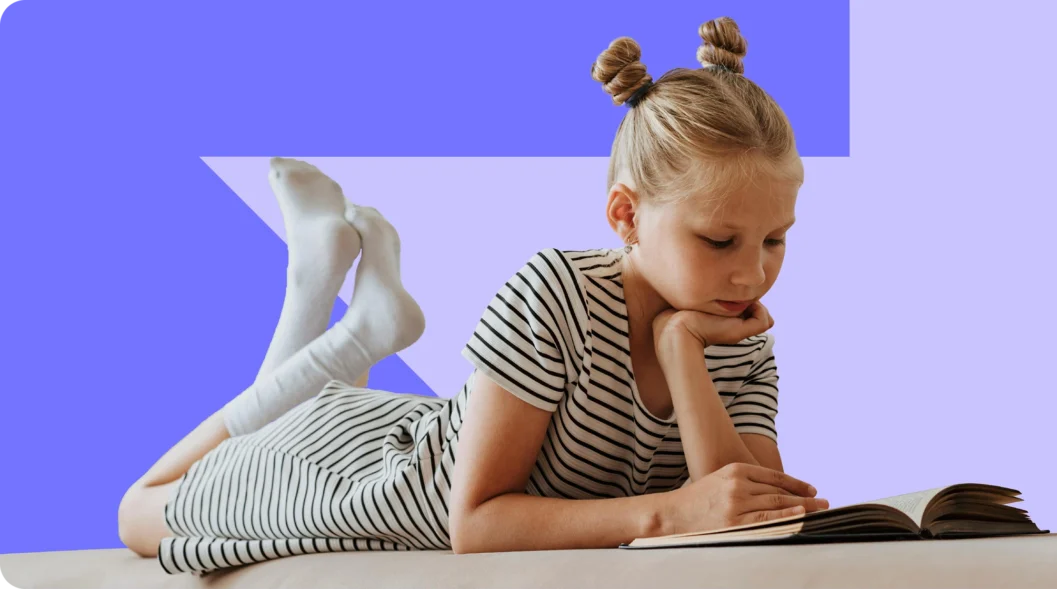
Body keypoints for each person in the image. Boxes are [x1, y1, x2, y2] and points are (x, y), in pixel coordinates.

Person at [117, 15, 826, 577]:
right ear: (626, 216)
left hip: (438, 424)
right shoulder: (557, 293)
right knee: (138, 510)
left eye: (775, 240)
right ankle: (345, 328)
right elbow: (476, 522)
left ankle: (340, 304)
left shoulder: (732, 337)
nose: (752, 276)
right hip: (363, 474)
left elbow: (744, 507)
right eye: (719, 241)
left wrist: (682, 351)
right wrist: (667, 513)